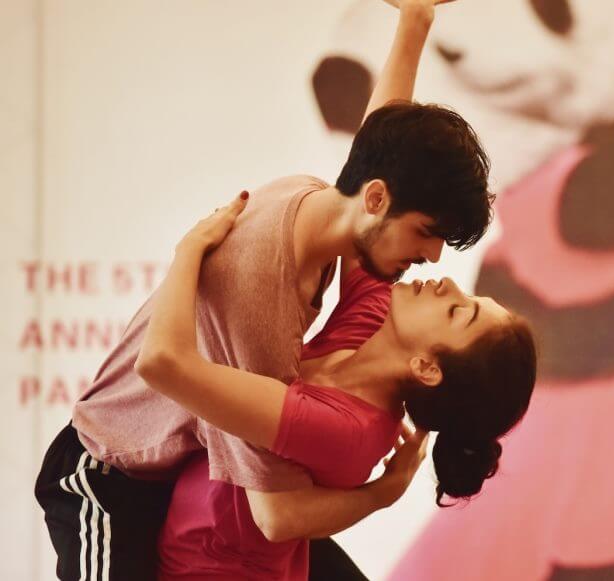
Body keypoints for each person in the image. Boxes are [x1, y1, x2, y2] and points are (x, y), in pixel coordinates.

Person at [34, 1, 485, 579]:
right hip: (108, 478)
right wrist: (383, 492)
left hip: (177, 472)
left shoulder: (323, 204)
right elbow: (276, 513)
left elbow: (383, 147)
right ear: (376, 200)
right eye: (425, 233)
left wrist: (414, 21)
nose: (433, 258)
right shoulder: (258, 306)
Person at [136, 195, 535, 579]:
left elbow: (162, 363)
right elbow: (366, 205)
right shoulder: (370, 328)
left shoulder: (348, 428)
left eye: (457, 311)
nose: (447, 282)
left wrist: (189, 250)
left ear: (427, 367)